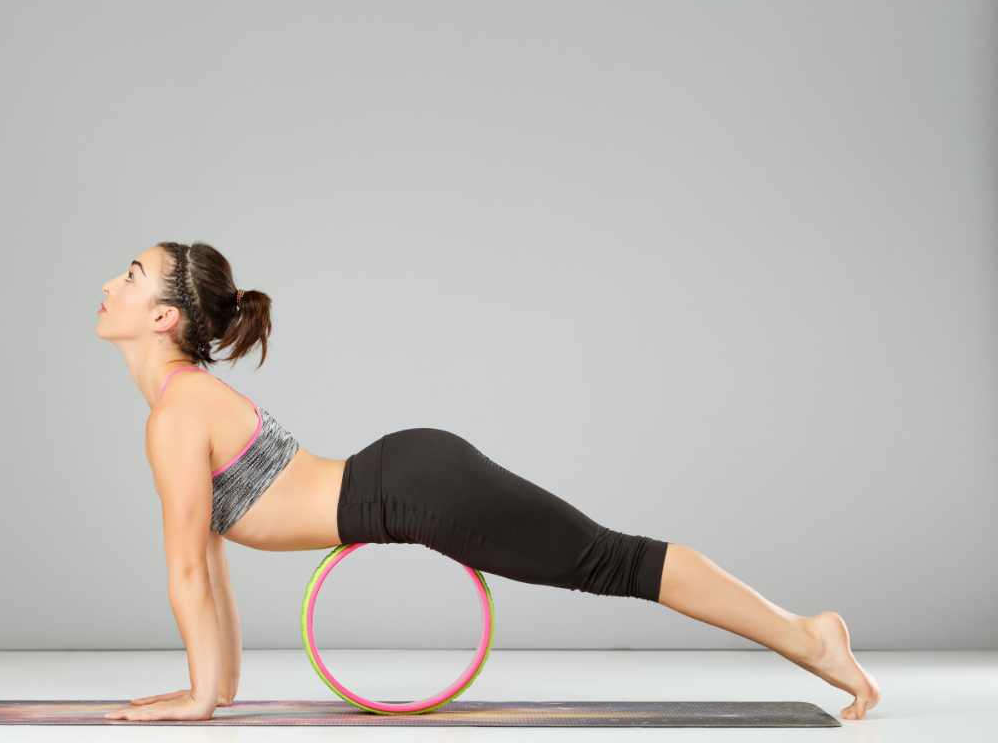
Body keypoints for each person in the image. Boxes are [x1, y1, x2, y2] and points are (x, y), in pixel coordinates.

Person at [95, 241, 880, 723]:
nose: (111, 282)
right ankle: (807, 633)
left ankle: (810, 635)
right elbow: (209, 560)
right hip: (408, 477)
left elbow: (191, 568)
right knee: (609, 557)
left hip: (416, 489)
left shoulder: (176, 413)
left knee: (610, 561)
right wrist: (218, 686)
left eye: (131, 275)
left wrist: (199, 696)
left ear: (164, 317)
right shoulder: (183, 404)